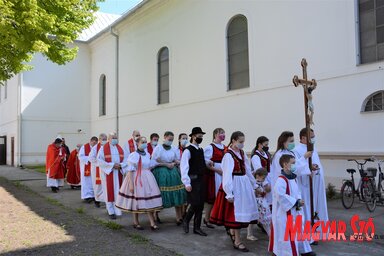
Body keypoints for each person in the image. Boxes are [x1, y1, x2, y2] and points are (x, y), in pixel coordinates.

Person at [209, 131, 259, 252]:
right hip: (235, 185)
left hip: (244, 184)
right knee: (235, 215)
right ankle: (237, 241)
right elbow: (226, 175)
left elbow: (247, 170)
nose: (242, 144)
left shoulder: (241, 153)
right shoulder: (228, 155)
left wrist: (255, 185)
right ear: (233, 141)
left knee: (241, 212)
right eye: (240, 142)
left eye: (243, 142)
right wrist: (229, 193)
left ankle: (233, 234)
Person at [269, 154, 316, 256]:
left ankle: (303, 250)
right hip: (284, 213)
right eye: (293, 163)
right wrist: (295, 202)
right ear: (285, 164)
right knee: (288, 234)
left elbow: (297, 191)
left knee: (299, 230)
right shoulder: (281, 180)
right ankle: (286, 253)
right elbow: (280, 195)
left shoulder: (293, 178)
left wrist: (298, 199)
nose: (295, 165)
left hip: (295, 210)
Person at [116, 136, 163, 230]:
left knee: (149, 201)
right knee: (135, 201)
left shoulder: (147, 154)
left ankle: (152, 223)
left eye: (145, 142)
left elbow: (150, 164)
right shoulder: (133, 155)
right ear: (137, 143)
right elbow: (129, 171)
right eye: (142, 142)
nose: (145, 143)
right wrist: (131, 185)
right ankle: (135, 222)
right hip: (136, 178)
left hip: (147, 178)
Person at [294, 128, 328, 244]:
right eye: (311, 137)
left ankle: (318, 231)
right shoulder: (297, 150)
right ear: (303, 138)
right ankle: (307, 236)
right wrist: (309, 168)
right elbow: (297, 167)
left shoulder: (313, 148)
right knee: (307, 209)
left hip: (316, 183)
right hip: (305, 185)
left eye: (313, 136)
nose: (313, 139)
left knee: (317, 207)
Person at [152, 131, 187, 224]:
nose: (170, 141)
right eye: (169, 139)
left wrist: (177, 162)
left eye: (172, 140)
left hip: (173, 172)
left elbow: (175, 159)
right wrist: (166, 164)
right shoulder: (158, 148)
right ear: (165, 137)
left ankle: (178, 217)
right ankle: (156, 214)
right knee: (162, 194)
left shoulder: (174, 148)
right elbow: (155, 161)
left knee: (178, 192)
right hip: (161, 172)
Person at [180, 127, 208, 236]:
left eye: (201, 136)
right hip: (193, 179)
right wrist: (186, 183)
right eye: (199, 136)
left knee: (200, 205)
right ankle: (186, 220)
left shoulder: (200, 150)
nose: (200, 138)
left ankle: (197, 228)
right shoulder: (188, 150)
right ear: (193, 136)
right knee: (195, 203)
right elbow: (184, 167)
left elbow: (202, 161)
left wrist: (209, 162)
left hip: (201, 179)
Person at [97, 132, 128, 219]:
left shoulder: (120, 148)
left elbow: (126, 159)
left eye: (116, 138)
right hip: (108, 173)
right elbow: (99, 160)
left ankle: (117, 210)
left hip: (118, 172)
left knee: (117, 191)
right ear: (109, 139)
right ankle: (110, 211)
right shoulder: (103, 148)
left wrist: (121, 165)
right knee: (108, 191)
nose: (115, 139)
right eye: (113, 138)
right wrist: (112, 165)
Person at [248, 136, 272, 240]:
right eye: (265, 145)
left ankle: (266, 228)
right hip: (261, 182)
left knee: (265, 208)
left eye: (267, 145)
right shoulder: (255, 156)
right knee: (255, 210)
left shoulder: (266, 154)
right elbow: (259, 171)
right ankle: (250, 233)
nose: (267, 147)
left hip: (266, 179)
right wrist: (265, 183)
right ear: (259, 144)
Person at [203, 128, 226, 229]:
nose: (223, 135)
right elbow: (206, 162)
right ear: (215, 134)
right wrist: (217, 170)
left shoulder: (225, 147)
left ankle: (218, 218)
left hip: (223, 174)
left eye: (223, 133)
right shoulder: (210, 147)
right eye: (221, 133)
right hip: (214, 175)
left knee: (222, 197)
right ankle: (207, 219)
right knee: (211, 199)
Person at [89, 133, 108, 208]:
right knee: (98, 186)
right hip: (96, 168)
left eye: (105, 139)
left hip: (106, 169)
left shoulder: (108, 147)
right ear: (99, 140)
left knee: (105, 185)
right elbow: (91, 158)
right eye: (103, 139)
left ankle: (106, 200)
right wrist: (99, 163)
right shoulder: (95, 148)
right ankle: (97, 200)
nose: (104, 141)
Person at [78, 136, 98, 203]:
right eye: (93, 142)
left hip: (94, 168)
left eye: (95, 142)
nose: (94, 143)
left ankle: (93, 196)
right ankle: (87, 196)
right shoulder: (84, 147)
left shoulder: (97, 148)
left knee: (93, 182)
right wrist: (89, 159)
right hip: (86, 167)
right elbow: (80, 156)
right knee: (86, 182)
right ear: (90, 141)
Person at [253, 168, 272, 237]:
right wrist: (260, 192)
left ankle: (271, 235)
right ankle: (270, 235)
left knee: (267, 221)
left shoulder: (260, 183)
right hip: (259, 204)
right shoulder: (254, 184)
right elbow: (256, 193)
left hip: (263, 202)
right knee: (265, 221)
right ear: (257, 176)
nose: (264, 180)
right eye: (263, 178)